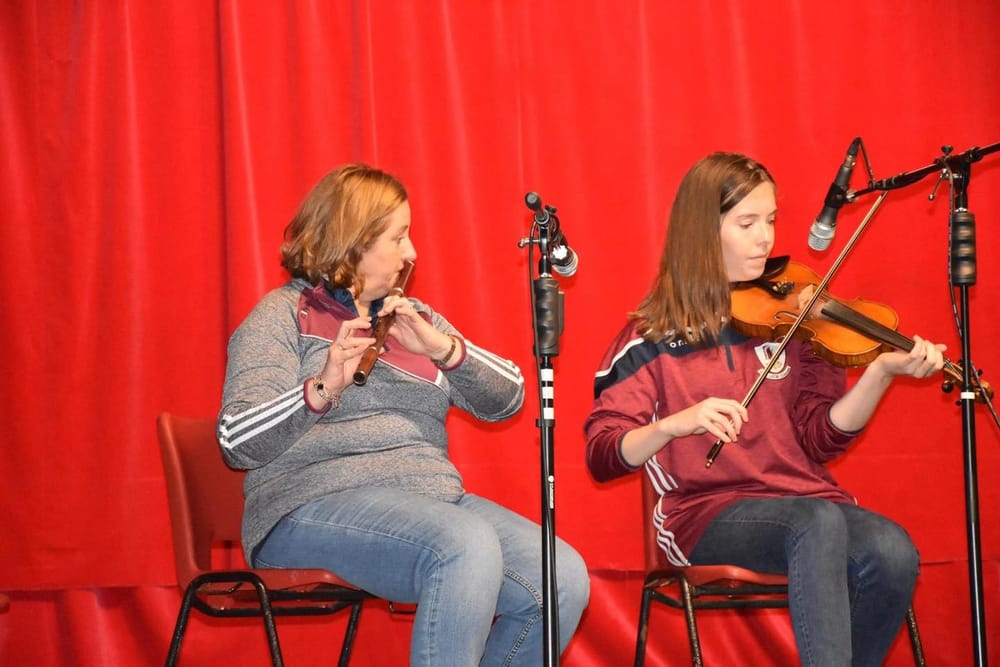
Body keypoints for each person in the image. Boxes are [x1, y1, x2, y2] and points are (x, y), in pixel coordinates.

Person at [218, 164, 589, 666]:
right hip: (304, 509)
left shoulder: (417, 319)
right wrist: (322, 389)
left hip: (432, 503)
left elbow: (510, 398)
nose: (412, 253)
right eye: (399, 237)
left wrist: (444, 350)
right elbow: (236, 439)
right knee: (464, 544)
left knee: (561, 577)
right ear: (353, 240)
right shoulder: (282, 316)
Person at [584, 152, 945, 666]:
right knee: (816, 523)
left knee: (891, 550)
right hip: (704, 516)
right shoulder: (650, 337)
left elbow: (821, 437)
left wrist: (880, 374)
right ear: (703, 232)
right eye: (747, 223)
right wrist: (672, 425)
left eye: (771, 220)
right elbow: (603, 453)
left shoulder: (795, 319)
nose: (766, 238)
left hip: (807, 502)